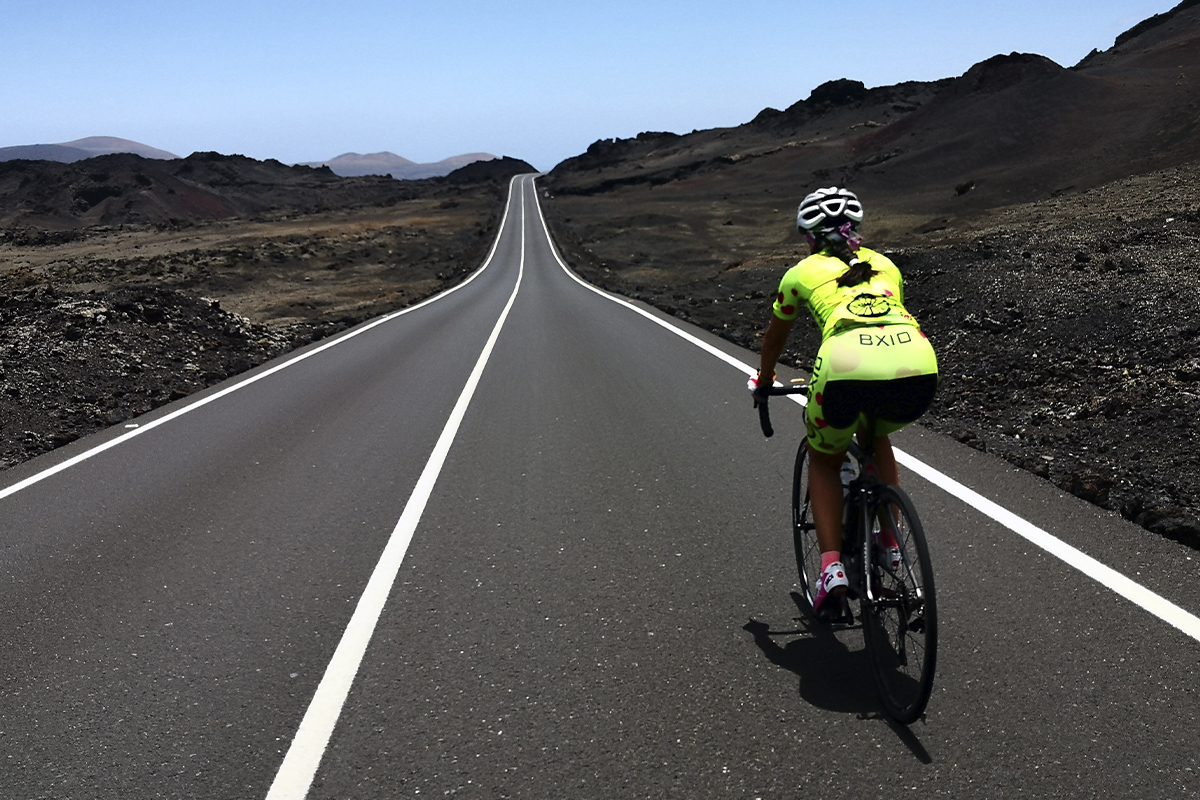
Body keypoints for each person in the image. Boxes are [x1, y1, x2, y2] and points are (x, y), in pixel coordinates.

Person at [749, 187, 938, 620]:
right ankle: (891, 546)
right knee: (877, 433)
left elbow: (774, 338)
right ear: (855, 230)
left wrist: (764, 380)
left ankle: (830, 567)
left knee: (824, 457)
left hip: (845, 365)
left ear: (810, 237)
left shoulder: (800, 273)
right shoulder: (886, 264)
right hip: (918, 363)